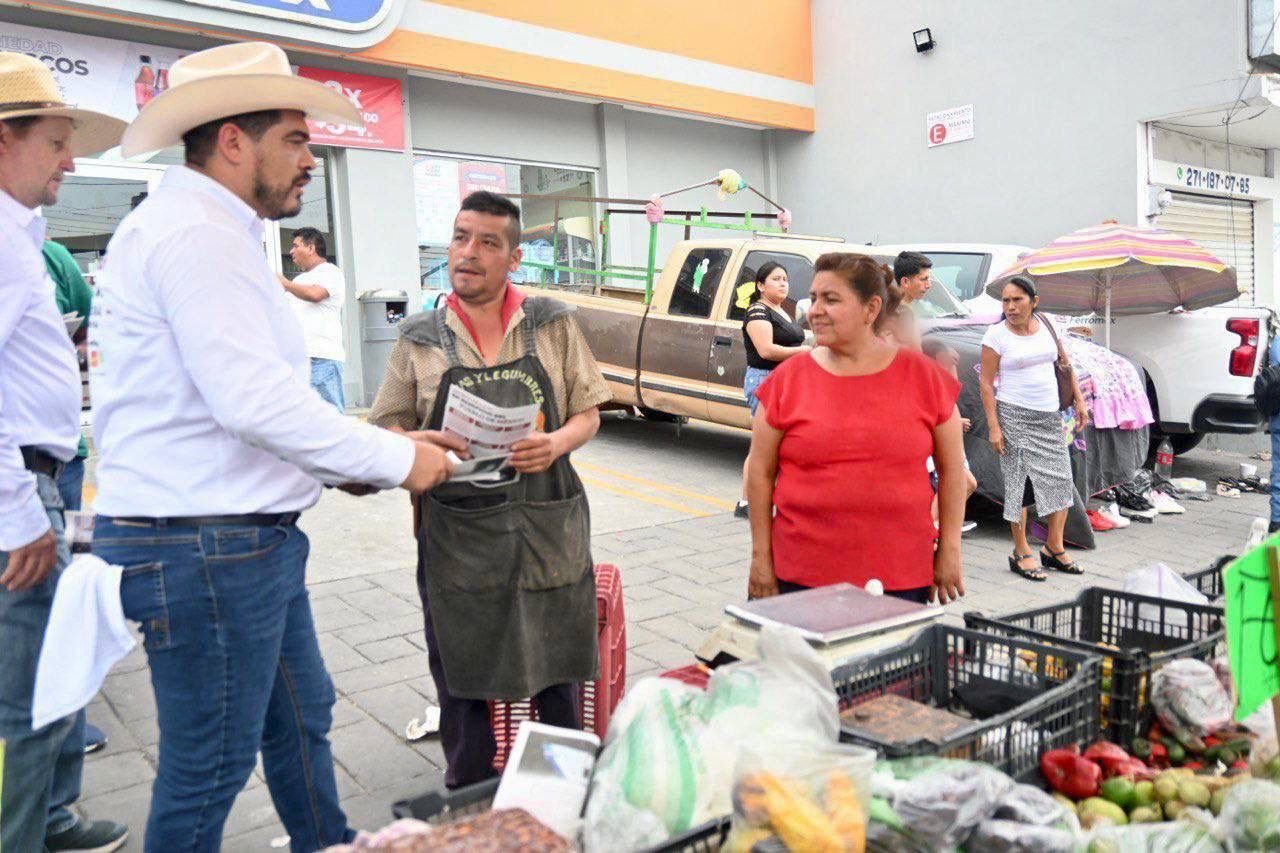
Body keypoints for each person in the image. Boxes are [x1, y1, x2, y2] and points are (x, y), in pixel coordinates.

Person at [88, 42, 457, 852]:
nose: (311, 160)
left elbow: (240, 402)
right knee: (208, 769)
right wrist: (401, 461)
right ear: (232, 141)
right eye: (295, 139)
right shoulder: (197, 235)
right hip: (206, 549)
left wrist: (354, 455)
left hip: (235, 541)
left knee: (300, 714)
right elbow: (253, 403)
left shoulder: (209, 228)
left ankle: (324, 838)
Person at [370, 190, 613, 788]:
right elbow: (386, 427)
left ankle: (562, 792)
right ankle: (472, 794)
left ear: (514, 257)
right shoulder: (419, 337)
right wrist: (420, 443)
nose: (468, 253)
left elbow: (589, 411)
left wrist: (555, 443)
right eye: (460, 237)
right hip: (458, 539)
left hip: (546, 527)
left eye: (487, 242)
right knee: (462, 673)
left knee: (558, 667)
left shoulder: (551, 323)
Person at [0, 51, 130, 853]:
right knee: (24, 696)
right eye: (55, 142)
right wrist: (18, 512)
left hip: (44, 478)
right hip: (23, 488)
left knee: (48, 678)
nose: (71, 162)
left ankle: (47, 819)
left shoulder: (22, 236)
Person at [745, 253, 966, 605]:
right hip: (801, 575)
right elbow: (759, 472)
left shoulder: (924, 378)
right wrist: (761, 557)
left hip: (900, 574)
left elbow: (953, 471)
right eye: (814, 298)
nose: (815, 310)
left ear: (871, 308)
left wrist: (950, 549)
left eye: (831, 299)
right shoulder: (788, 380)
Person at [43, 239, 111, 755]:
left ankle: (66, 719)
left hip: (68, 458)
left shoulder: (56, 258)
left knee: (70, 580)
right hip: (17, 470)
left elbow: (91, 331)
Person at [979, 275, 1088, 581]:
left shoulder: (1048, 327)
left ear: (1034, 301)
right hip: (1014, 416)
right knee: (1019, 485)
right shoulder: (996, 335)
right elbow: (985, 383)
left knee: (1061, 480)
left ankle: (1053, 547)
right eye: (1006, 301)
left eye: (1018, 300)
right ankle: (1021, 551)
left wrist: (1079, 400)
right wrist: (994, 426)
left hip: (1050, 417)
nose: (1011, 307)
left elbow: (1066, 365)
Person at [734, 261, 808, 518]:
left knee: (782, 445)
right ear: (761, 286)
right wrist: (803, 352)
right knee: (762, 445)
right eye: (776, 279)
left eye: (785, 279)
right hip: (765, 381)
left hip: (787, 381)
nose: (783, 283)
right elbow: (766, 350)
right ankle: (746, 502)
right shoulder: (758, 311)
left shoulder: (782, 310)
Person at [279, 226, 347, 411]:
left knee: (330, 418)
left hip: (322, 359)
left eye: (295, 246)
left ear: (311, 248)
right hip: (298, 361)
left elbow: (315, 294)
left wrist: (285, 283)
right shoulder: (299, 281)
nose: (291, 251)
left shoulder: (331, 272)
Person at [921, 338, 979, 529]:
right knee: (966, 482)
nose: (951, 368)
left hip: (946, 449)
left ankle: (937, 524)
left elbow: (952, 389)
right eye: (947, 362)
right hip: (933, 451)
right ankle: (932, 525)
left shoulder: (943, 387)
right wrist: (952, 424)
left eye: (953, 363)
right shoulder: (925, 386)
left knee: (966, 483)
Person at [892, 251, 933, 349]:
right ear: (905, 281)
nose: (928, 285)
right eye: (923, 279)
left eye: (928, 279)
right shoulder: (902, 313)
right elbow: (915, 352)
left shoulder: (896, 307)